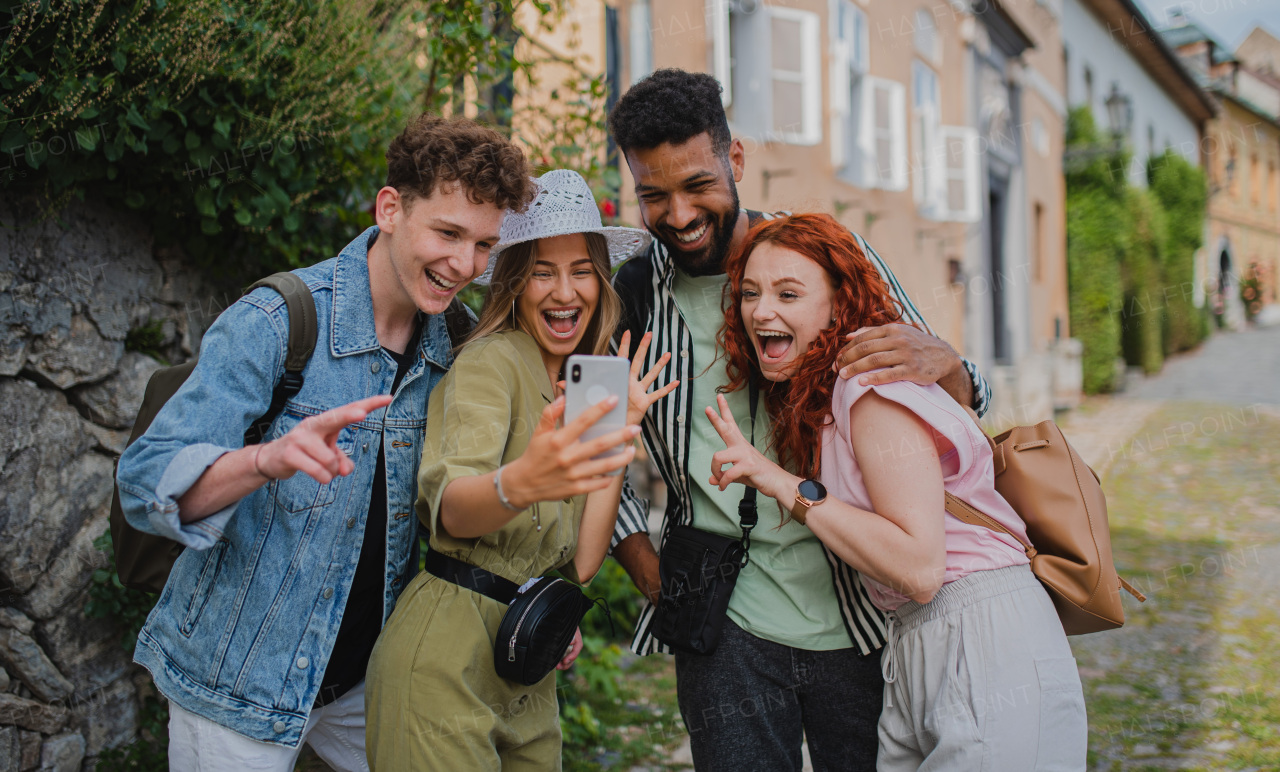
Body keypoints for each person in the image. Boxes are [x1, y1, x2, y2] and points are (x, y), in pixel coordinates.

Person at [115, 114, 537, 771]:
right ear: (391, 209)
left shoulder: (455, 344)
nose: (465, 264)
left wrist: (529, 593)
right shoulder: (278, 320)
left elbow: (468, 499)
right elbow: (146, 483)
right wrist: (263, 460)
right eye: (448, 233)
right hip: (237, 680)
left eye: (484, 245)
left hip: (378, 674)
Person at [604, 69, 995, 770]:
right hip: (722, 631)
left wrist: (949, 362)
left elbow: (962, 404)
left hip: (862, 611)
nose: (679, 213)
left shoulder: (824, 257)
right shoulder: (629, 299)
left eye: (697, 184)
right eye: (653, 195)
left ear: (738, 161)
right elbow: (592, 452)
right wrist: (649, 571)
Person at [707, 212, 1087, 770]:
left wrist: (774, 479)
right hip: (921, 642)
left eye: (789, 293)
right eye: (750, 293)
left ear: (838, 304)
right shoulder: (837, 390)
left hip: (978, 638)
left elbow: (919, 568)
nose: (761, 311)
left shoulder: (868, 386)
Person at [363, 169, 678, 770]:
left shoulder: (594, 379)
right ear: (514, 282)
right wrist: (521, 482)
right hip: (444, 661)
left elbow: (582, 563)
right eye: (542, 271)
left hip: (528, 664)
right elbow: (450, 506)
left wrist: (618, 438)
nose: (565, 292)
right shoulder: (490, 361)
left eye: (582, 270)